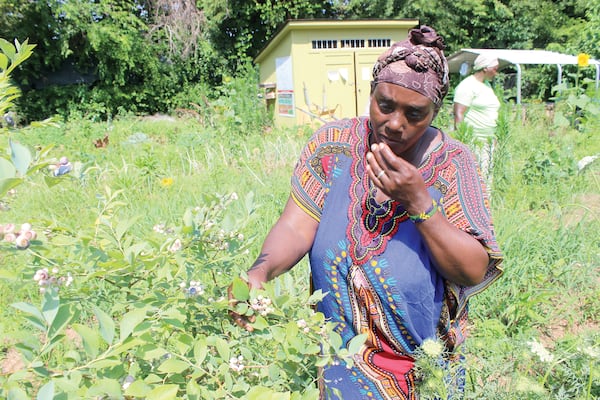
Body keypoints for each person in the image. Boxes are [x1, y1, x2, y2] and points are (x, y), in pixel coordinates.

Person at [230, 25, 503, 399]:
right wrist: (259, 272)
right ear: (370, 93)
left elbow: (472, 268)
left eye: (415, 113)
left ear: (435, 111)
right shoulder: (334, 146)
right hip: (341, 360)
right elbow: (296, 226)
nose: (395, 123)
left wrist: (420, 203)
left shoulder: (454, 164)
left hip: (422, 373)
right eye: (384, 105)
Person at [453, 54, 501, 182]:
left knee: (487, 177)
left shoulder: (486, 85)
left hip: (488, 140)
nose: (496, 73)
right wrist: (463, 143)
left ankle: (486, 202)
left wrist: (494, 137)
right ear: (485, 68)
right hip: (475, 140)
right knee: (476, 178)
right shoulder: (467, 86)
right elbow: (458, 114)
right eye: (495, 69)